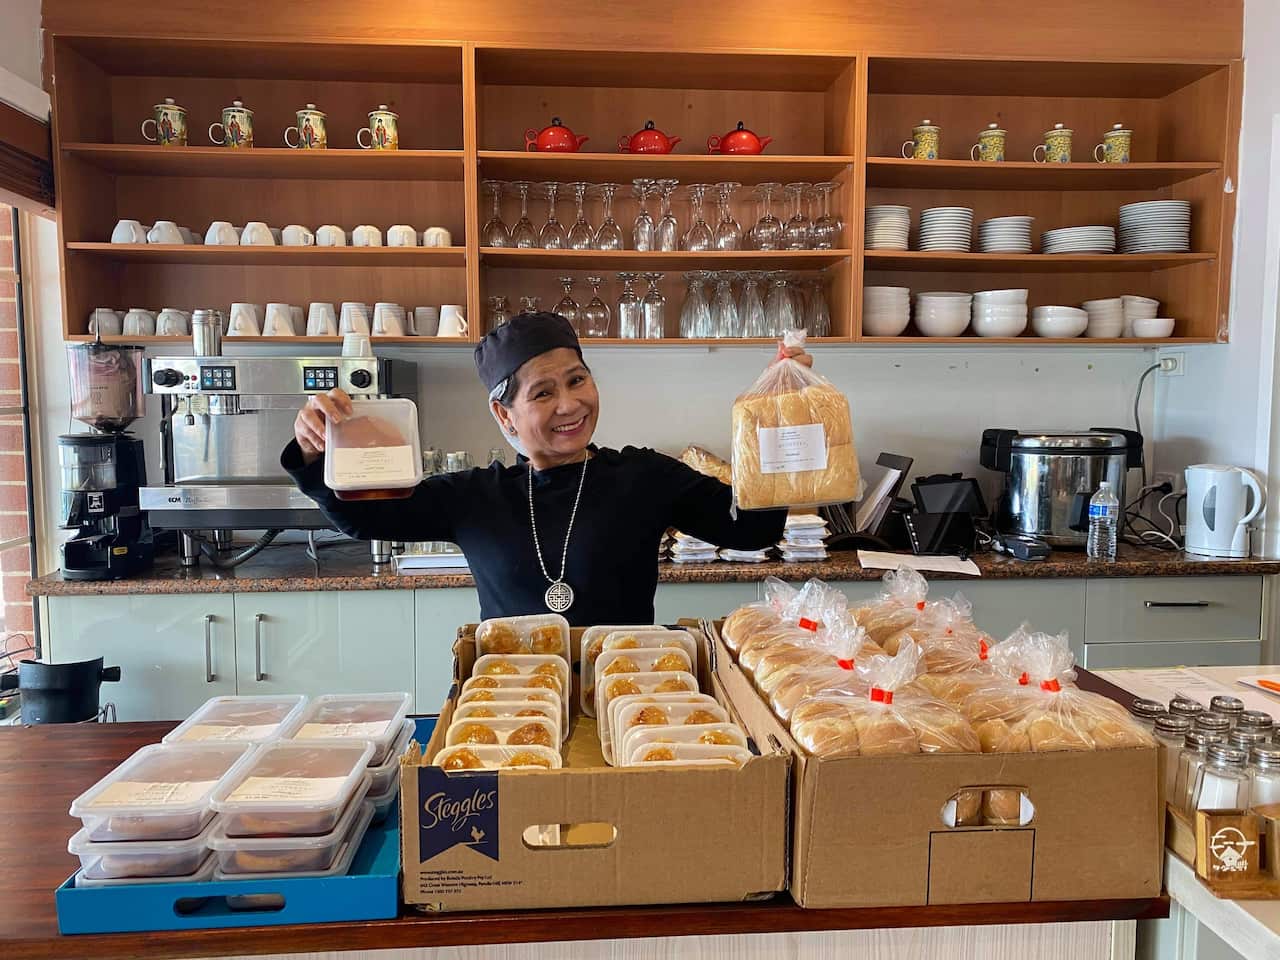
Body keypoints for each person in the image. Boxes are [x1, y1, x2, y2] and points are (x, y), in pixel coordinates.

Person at [284, 312, 812, 625]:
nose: (569, 405)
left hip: (626, 693)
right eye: (543, 392)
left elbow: (753, 529)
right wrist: (317, 449)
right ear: (503, 414)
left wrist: (778, 416)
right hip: (511, 705)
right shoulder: (474, 495)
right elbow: (364, 519)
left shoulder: (643, 477)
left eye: (578, 381)